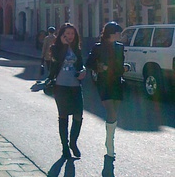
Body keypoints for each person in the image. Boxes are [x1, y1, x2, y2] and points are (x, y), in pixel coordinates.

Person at [86, 21, 129, 159]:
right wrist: (99, 66)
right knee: (111, 112)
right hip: (104, 83)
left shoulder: (120, 47)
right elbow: (89, 63)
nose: (120, 35)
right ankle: (110, 144)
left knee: (114, 113)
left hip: (117, 82)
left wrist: (125, 67)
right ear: (112, 33)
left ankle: (109, 137)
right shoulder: (98, 47)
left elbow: (120, 64)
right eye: (119, 32)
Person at [48, 23, 86, 159]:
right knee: (63, 116)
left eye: (72, 33)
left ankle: (73, 142)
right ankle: (65, 147)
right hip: (61, 86)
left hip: (75, 86)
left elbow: (80, 64)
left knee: (78, 115)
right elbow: (56, 61)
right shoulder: (55, 48)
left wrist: (83, 71)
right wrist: (64, 46)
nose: (70, 36)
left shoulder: (76, 49)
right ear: (62, 35)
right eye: (67, 33)